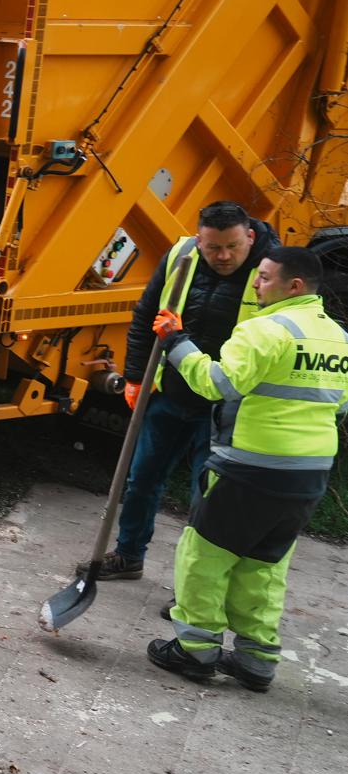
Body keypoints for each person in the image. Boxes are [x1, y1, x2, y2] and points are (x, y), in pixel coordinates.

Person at [148, 246, 346, 690]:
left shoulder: (265, 329)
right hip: (309, 475)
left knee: (204, 556)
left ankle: (196, 650)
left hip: (251, 470)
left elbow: (216, 384)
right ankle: (257, 660)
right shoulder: (338, 338)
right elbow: (340, 404)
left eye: (264, 277)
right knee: (263, 566)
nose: (255, 284)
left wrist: (177, 343)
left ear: (293, 286)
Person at [100, 201, 275, 580]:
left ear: (249, 236)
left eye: (232, 246)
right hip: (170, 393)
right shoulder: (181, 254)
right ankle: (128, 556)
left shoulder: (273, 270)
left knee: (208, 499)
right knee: (141, 479)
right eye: (212, 248)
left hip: (223, 407)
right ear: (199, 240)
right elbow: (146, 314)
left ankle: (194, 586)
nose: (223, 256)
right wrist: (134, 378)